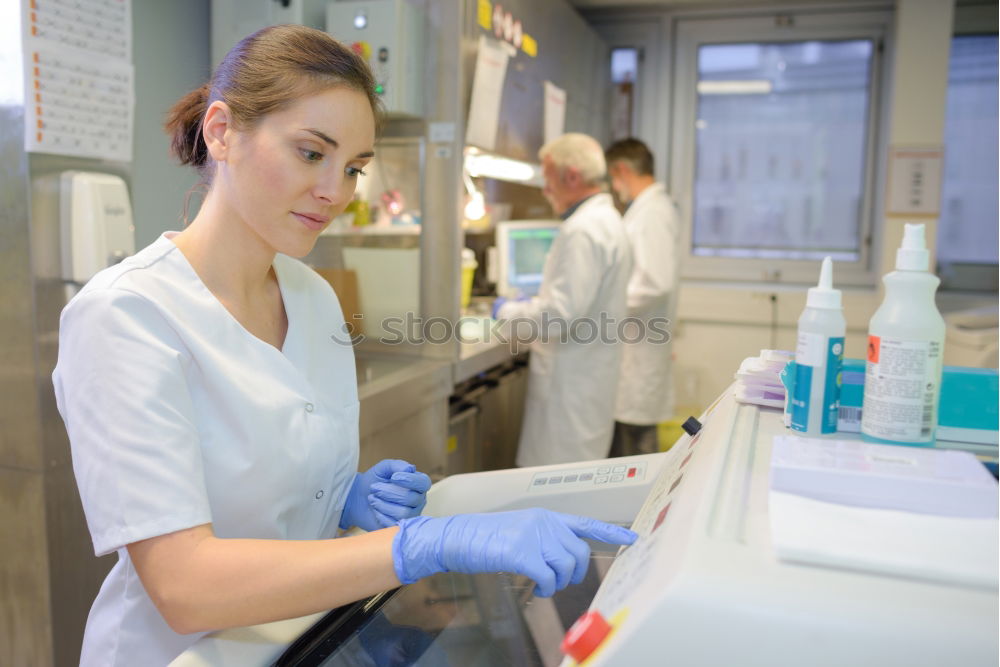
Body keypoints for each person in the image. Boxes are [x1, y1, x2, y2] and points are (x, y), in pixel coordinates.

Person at [52, 26, 636, 666]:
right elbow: (183, 585)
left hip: (307, 639)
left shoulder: (311, 296)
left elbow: (269, 473)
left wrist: (340, 495)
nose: (337, 192)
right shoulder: (126, 314)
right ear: (221, 132)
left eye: (355, 167)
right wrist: (418, 546)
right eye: (311, 153)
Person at [494, 133, 633, 467]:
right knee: (574, 480)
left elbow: (558, 315)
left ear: (571, 176)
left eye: (548, 179)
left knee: (556, 484)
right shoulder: (607, 220)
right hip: (586, 381)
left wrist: (508, 310)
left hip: (570, 390)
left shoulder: (582, 230)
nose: (545, 190)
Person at [605, 138, 681, 456]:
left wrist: (607, 305)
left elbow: (655, 283)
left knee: (635, 450)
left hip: (640, 348)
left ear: (621, 170)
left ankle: (641, 508)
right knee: (633, 442)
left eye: (612, 178)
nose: (614, 187)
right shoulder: (647, 210)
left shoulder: (650, 214)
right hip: (640, 344)